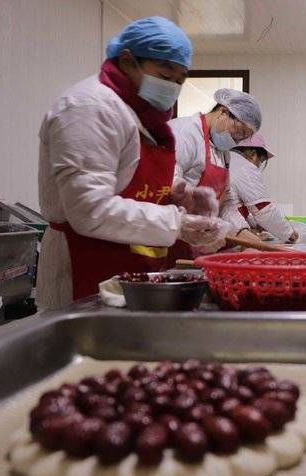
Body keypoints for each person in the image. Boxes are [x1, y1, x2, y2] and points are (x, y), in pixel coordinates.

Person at [36, 16, 223, 309]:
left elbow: (130, 175)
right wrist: (178, 222)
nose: (172, 87)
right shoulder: (89, 108)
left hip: (133, 264)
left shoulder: (145, 115)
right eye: (164, 75)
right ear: (126, 61)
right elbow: (90, 210)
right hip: (84, 262)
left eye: (179, 80)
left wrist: (178, 194)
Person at [169, 88, 264, 258]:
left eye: (243, 138)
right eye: (239, 131)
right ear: (223, 112)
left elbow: (225, 202)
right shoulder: (186, 134)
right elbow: (167, 186)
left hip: (196, 245)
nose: (237, 140)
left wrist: (242, 231)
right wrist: (194, 228)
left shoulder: (222, 151)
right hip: (171, 239)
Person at [224, 134, 298, 243]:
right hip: (226, 232)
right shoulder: (245, 167)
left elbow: (235, 204)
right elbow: (262, 209)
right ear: (253, 154)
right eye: (260, 161)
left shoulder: (228, 160)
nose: (258, 167)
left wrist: (254, 224)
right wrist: (289, 233)